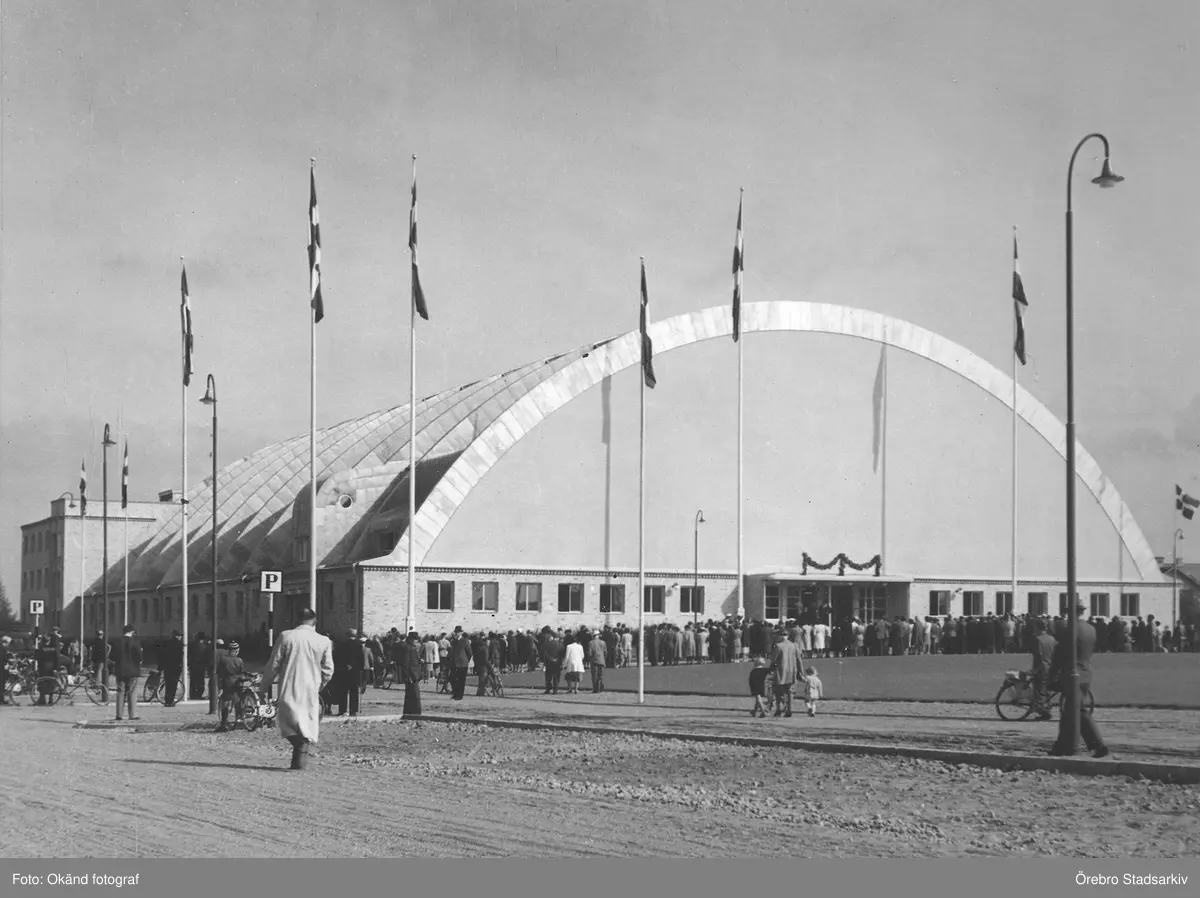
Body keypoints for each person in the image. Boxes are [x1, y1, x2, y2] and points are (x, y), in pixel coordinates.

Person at [259, 608, 334, 771]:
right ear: (315, 621)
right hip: (311, 687)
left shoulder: (286, 636)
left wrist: (263, 686)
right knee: (306, 722)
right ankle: (300, 757)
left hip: (289, 684)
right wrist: (319, 685)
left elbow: (274, 664)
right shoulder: (323, 641)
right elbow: (328, 669)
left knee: (287, 722)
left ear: (297, 619)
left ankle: (300, 751)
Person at [1048, 603, 1109, 758]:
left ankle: (1097, 745)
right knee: (1070, 709)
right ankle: (1062, 746)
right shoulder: (1090, 628)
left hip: (1072, 672)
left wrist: (1052, 676)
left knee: (1076, 710)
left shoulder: (1067, 629)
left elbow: (1059, 654)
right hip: (1086, 671)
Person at [214, 640, 247, 732]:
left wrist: (220, 687)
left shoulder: (223, 660)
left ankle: (224, 723)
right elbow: (242, 672)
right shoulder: (239, 660)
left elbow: (219, 673)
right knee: (239, 701)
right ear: (237, 650)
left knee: (225, 702)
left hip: (227, 682)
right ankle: (240, 719)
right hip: (238, 683)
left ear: (228, 650)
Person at [112, 625, 143, 721]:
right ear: (132, 632)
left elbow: (112, 657)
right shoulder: (135, 642)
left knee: (120, 692)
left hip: (120, 670)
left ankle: (119, 715)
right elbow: (140, 657)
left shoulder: (117, 642)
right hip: (133, 670)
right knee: (132, 692)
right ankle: (132, 715)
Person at [770, 629, 803, 717]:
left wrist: (771, 668)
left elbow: (773, 660)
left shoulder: (778, 646)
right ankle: (789, 709)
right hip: (792, 670)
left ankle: (778, 709)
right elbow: (799, 660)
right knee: (789, 692)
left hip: (781, 671)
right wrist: (801, 671)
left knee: (778, 691)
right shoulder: (794, 645)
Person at [1030, 618, 1057, 721]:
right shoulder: (1052, 639)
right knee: (1047, 690)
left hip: (1042, 668)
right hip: (1051, 667)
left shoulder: (1038, 639)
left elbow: (1039, 657)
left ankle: (1043, 711)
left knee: (1039, 690)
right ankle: (1047, 708)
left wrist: (1034, 670)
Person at [333, 628, 363, 717]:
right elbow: (361, 658)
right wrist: (358, 668)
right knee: (354, 691)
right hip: (354, 671)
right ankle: (353, 711)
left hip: (343, 671)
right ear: (355, 635)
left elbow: (337, 658)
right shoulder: (358, 645)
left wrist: (344, 666)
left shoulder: (342, 644)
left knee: (343, 691)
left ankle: (342, 710)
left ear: (347, 635)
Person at [399, 632, 423, 716]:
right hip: (411, 675)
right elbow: (405, 664)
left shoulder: (412, 648)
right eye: (415, 639)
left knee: (412, 694)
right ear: (410, 639)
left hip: (415, 674)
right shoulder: (407, 648)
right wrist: (408, 676)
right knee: (414, 695)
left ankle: (410, 711)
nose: (416, 641)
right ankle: (414, 712)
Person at [159, 630, 184, 707]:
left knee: (168, 683)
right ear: (178, 636)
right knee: (174, 684)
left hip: (167, 666)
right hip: (176, 666)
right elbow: (181, 656)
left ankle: (167, 700)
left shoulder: (166, 643)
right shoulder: (180, 644)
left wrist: (160, 666)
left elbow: (162, 654)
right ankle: (171, 700)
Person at [449, 626, 472, 701]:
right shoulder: (453, 641)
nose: (456, 633)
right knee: (452, 678)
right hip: (454, 663)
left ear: (461, 633)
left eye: (458, 632)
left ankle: (459, 695)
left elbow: (469, 652)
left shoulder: (465, 641)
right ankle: (455, 693)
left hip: (462, 663)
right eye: (455, 632)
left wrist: (466, 660)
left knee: (461, 680)